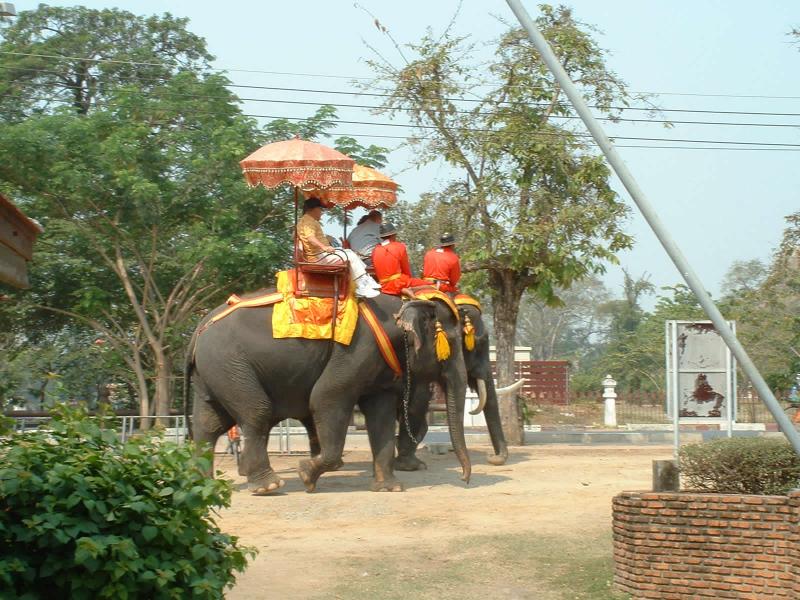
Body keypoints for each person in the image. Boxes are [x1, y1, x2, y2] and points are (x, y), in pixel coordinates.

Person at [297, 197, 381, 298]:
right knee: (350, 257)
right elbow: (310, 238)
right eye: (320, 209)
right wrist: (324, 247)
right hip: (318, 257)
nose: (322, 213)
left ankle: (365, 279)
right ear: (312, 209)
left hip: (320, 254)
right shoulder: (308, 221)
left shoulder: (308, 220)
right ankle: (362, 286)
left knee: (349, 252)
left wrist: (326, 239)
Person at [371, 222, 428, 295]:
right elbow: (406, 270)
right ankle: (410, 289)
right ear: (393, 235)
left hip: (383, 285)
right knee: (432, 285)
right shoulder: (399, 246)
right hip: (398, 283)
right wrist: (408, 281)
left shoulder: (375, 250)